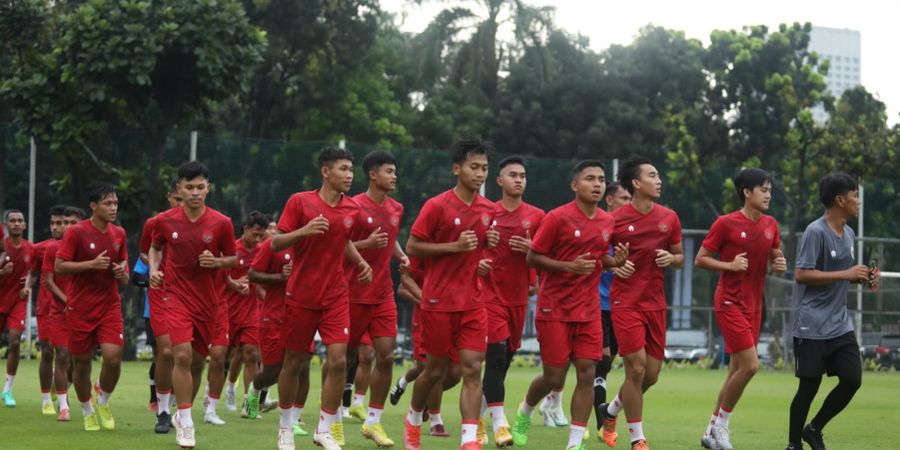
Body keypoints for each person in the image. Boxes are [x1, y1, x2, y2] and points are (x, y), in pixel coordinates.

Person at [510, 160, 627, 450]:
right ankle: (524, 411)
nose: (597, 184)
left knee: (588, 372)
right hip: (555, 309)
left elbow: (598, 259)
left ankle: (575, 443)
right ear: (575, 185)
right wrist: (569, 267)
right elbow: (533, 258)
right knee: (554, 376)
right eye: (590, 178)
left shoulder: (607, 221)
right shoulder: (557, 218)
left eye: (601, 179)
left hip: (588, 311)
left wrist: (615, 262)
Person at [272, 146, 373, 450]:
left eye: (351, 170)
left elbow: (342, 241)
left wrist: (359, 261)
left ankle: (325, 429)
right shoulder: (300, 202)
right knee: (294, 362)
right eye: (343, 169)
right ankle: (286, 428)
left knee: (341, 361)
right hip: (301, 294)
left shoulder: (353, 210)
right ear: (326, 171)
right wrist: (303, 231)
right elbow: (276, 242)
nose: (349, 175)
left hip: (336, 295)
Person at [402, 139, 499, 450]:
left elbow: (477, 248)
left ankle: (469, 439)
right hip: (438, 301)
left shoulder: (489, 210)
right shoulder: (437, 205)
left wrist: (488, 243)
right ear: (457, 169)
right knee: (435, 371)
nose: (480, 173)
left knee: (471, 369)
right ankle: (414, 418)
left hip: (473, 303)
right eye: (474, 167)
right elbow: (413, 247)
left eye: (484, 168)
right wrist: (454, 247)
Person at [694, 168, 787, 450]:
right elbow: (701, 259)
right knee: (750, 365)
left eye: (770, 190)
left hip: (755, 305)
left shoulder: (771, 224)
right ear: (747, 192)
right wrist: (730, 265)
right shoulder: (725, 223)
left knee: (736, 368)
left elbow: (775, 256)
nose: (768, 194)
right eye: (763, 189)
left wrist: (779, 264)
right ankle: (722, 427)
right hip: (728, 301)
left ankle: (711, 430)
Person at [786, 172, 879, 450]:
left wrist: (860, 277)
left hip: (840, 323)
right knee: (809, 387)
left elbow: (841, 274)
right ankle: (793, 444)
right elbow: (802, 275)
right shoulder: (816, 231)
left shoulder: (849, 233)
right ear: (840, 200)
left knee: (852, 379)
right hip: (811, 325)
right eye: (854, 195)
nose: (858, 200)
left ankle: (814, 429)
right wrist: (845, 273)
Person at [149, 161, 238, 448]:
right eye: (189, 187)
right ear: (179, 189)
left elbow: (233, 258)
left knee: (198, 361)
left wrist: (217, 262)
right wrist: (153, 269)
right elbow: (155, 246)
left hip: (209, 302)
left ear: (208, 188)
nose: (195, 192)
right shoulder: (164, 220)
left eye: (200, 187)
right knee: (182, 356)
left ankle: (180, 412)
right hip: (174, 297)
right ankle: (185, 421)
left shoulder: (222, 223)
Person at [598, 157, 683, 450]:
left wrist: (671, 259)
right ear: (636, 183)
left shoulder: (669, 217)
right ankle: (638, 439)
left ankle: (610, 411)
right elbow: (597, 256)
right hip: (625, 303)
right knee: (635, 369)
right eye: (652, 175)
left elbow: (680, 256)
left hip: (656, 304)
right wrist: (612, 266)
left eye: (658, 175)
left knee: (651, 376)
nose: (659, 180)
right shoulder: (615, 220)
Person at [478, 155, 545, 446]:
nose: (519, 179)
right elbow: (469, 250)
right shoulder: (486, 213)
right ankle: (499, 424)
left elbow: (547, 256)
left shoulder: (538, 216)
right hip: (489, 296)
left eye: (523, 175)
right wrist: (483, 248)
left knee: (503, 360)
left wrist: (533, 249)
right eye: (513, 175)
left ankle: (477, 417)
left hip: (519, 298)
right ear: (499, 181)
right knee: (494, 357)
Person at [342, 149, 408, 447]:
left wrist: (402, 255)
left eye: (394, 172)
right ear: (372, 174)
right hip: (351, 292)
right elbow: (338, 243)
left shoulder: (396, 208)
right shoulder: (352, 206)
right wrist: (366, 244)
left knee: (385, 355)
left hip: (382, 294)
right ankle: (330, 418)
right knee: (344, 358)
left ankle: (373, 421)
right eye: (389, 171)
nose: (394, 176)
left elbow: (390, 240)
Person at [54, 184, 129, 432]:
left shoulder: (119, 233)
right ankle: (87, 410)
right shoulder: (76, 232)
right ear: (93, 206)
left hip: (110, 305)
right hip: (80, 307)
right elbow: (60, 267)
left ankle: (103, 400)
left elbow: (125, 272)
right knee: (82, 362)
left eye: (116, 203)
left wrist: (121, 271)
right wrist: (91, 264)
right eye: (108, 203)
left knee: (113, 358)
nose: (113, 208)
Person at [247, 231, 312, 437]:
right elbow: (253, 275)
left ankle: (293, 419)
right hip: (274, 316)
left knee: (303, 367)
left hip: (302, 315)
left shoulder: (312, 245)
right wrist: (280, 277)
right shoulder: (273, 245)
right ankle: (254, 390)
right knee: (274, 370)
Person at [392, 255, 461, 438]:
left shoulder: (458, 254)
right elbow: (402, 288)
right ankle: (436, 422)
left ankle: (409, 388)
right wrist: (425, 300)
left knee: (455, 374)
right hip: (425, 318)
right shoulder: (421, 256)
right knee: (428, 368)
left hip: (455, 316)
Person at [138, 181, 183, 432]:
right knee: (165, 353)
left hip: (192, 296)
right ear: (170, 197)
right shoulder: (155, 223)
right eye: (177, 198)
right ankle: (163, 410)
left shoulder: (212, 222)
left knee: (191, 357)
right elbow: (146, 253)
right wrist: (155, 268)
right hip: (162, 294)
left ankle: (182, 408)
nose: (182, 203)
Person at [593, 182, 631, 436]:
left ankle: (552, 400)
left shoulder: (630, 232)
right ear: (609, 200)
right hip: (595, 303)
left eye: (630, 198)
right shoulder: (600, 226)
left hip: (620, 306)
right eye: (624, 197)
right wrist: (610, 266)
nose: (628, 202)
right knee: (602, 359)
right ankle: (601, 423)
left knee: (608, 361)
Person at [41, 206, 84, 421]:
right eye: (64, 223)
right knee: (62, 355)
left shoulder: (87, 250)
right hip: (60, 312)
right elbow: (48, 281)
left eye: (71, 223)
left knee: (79, 360)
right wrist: (67, 300)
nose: (66, 227)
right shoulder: (52, 249)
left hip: (84, 313)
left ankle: (65, 389)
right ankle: (64, 405)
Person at [223, 211, 267, 420]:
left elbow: (261, 282)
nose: (258, 239)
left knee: (251, 354)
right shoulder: (232, 249)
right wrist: (235, 283)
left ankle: (249, 405)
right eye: (255, 234)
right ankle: (220, 391)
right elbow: (218, 277)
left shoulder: (261, 251)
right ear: (245, 229)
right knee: (223, 356)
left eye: (261, 236)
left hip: (251, 311)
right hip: (227, 310)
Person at [27, 205, 66, 414]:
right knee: (48, 351)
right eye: (53, 223)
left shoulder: (77, 248)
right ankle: (45, 398)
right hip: (45, 306)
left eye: (60, 223)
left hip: (70, 307)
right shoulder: (40, 248)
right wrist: (26, 287)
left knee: (68, 354)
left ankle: (60, 390)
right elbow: (33, 273)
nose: (55, 227)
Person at [0, 209, 35, 408]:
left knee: (14, 342)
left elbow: (34, 272)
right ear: (6, 225)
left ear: (25, 225)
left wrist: (28, 286)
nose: (16, 223)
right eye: (12, 220)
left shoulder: (31, 249)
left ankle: (7, 390)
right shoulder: (1, 247)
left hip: (17, 302)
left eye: (19, 220)